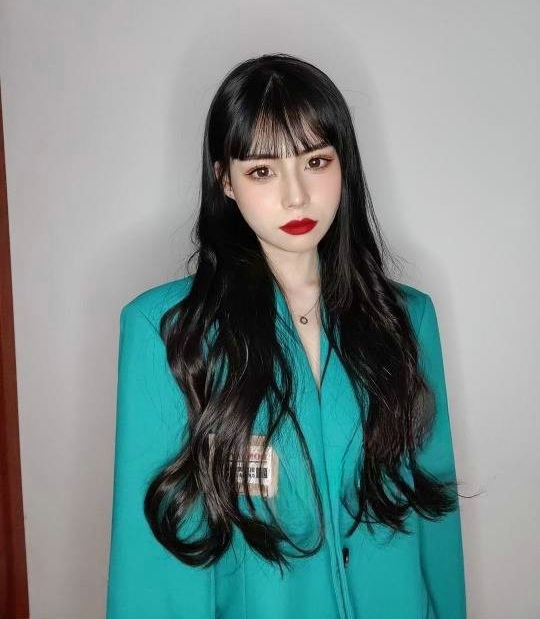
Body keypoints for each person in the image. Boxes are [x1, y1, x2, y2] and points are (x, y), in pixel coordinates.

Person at [106, 53, 467, 618]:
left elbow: (433, 516)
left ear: (344, 165)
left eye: (316, 161)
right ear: (225, 180)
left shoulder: (405, 319)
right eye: (262, 171)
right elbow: (154, 566)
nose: (296, 196)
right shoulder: (168, 329)